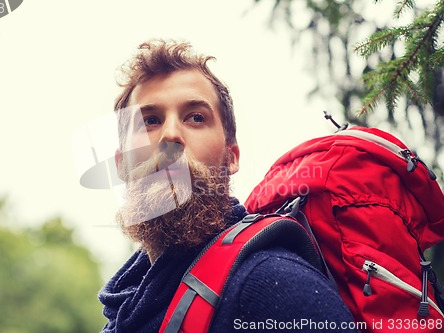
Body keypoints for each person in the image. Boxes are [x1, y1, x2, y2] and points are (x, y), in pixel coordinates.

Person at [98, 39, 359, 333]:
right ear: (122, 164)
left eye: (196, 117)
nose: (170, 134)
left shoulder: (272, 286)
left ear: (231, 156)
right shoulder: (123, 306)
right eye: (149, 121)